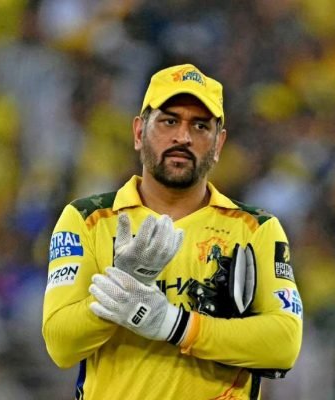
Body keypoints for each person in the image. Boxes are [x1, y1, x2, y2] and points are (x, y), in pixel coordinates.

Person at [42, 64, 303, 400]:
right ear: (139, 132)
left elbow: (284, 345)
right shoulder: (87, 219)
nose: (183, 137)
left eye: (200, 125)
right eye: (169, 121)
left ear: (219, 143)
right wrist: (124, 285)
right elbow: (60, 344)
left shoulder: (256, 229)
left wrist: (174, 324)